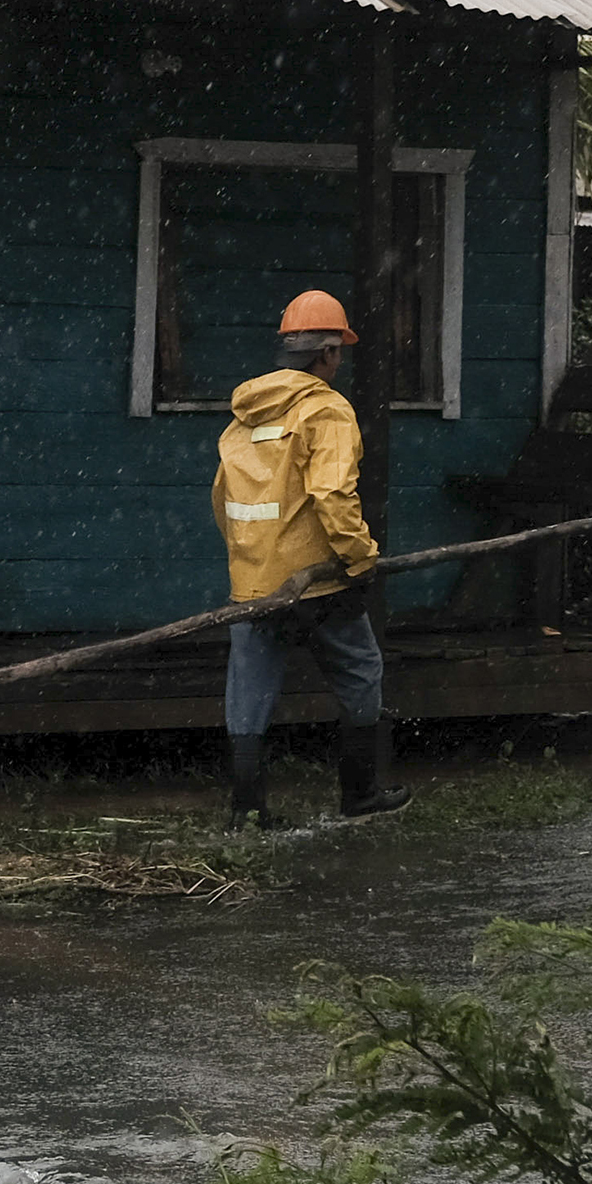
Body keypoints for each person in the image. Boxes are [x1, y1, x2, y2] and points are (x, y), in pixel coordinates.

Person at [211, 289, 411, 825]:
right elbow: (333, 496)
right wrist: (361, 558)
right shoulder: (327, 410)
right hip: (316, 581)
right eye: (338, 351)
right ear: (325, 355)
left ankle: (247, 810)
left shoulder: (245, 416)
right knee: (361, 671)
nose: (340, 362)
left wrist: (250, 562)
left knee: (249, 693)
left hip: (252, 584)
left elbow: (222, 501)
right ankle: (360, 796)